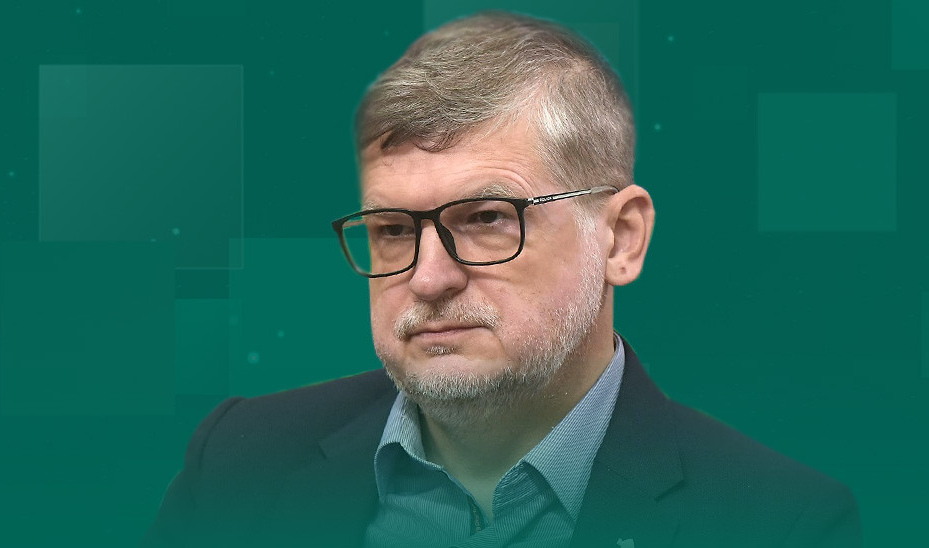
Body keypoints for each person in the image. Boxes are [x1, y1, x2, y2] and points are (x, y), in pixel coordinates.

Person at [143, 11, 861, 548]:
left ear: (621, 238)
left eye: (487, 218)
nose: (428, 279)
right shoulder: (239, 464)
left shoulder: (780, 524)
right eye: (392, 229)